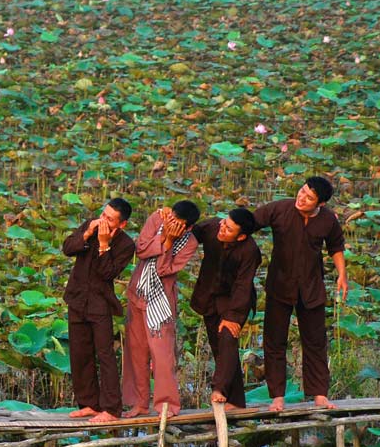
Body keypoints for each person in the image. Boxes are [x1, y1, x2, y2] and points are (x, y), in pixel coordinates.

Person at [254, 176, 347, 412]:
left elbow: (336, 246)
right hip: (280, 285)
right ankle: (277, 397)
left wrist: (342, 275)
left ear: (320, 204)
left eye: (309, 198)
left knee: (315, 342)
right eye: (302, 191)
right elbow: (250, 222)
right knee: (275, 341)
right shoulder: (280, 209)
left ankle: (319, 395)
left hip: (311, 287)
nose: (301, 198)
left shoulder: (327, 220)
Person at [122, 200, 200, 418]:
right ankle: (139, 404)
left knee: (162, 355)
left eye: (178, 223)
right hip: (138, 293)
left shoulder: (190, 243)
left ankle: (167, 405)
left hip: (160, 301)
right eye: (171, 218)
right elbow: (141, 250)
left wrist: (168, 242)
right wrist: (162, 235)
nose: (171, 223)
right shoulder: (157, 218)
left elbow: (165, 269)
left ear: (188, 227)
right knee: (136, 352)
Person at [62, 198, 136, 423]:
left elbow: (107, 274)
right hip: (77, 298)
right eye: (103, 215)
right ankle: (88, 404)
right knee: (79, 353)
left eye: (110, 219)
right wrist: (87, 235)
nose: (103, 220)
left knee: (105, 354)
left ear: (121, 224)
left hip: (100, 304)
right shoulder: (90, 225)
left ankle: (111, 409)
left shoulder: (126, 245)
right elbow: (67, 248)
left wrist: (104, 245)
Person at [190, 208, 262, 410]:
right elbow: (192, 232)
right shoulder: (214, 226)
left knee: (228, 338)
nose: (222, 228)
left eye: (228, 228)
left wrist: (233, 316)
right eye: (224, 223)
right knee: (219, 348)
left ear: (241, 236)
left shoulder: (249, 251)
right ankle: (236, 402)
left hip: (234, 301)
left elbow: (243, 285)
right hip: (209, 296)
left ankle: (219, 389)